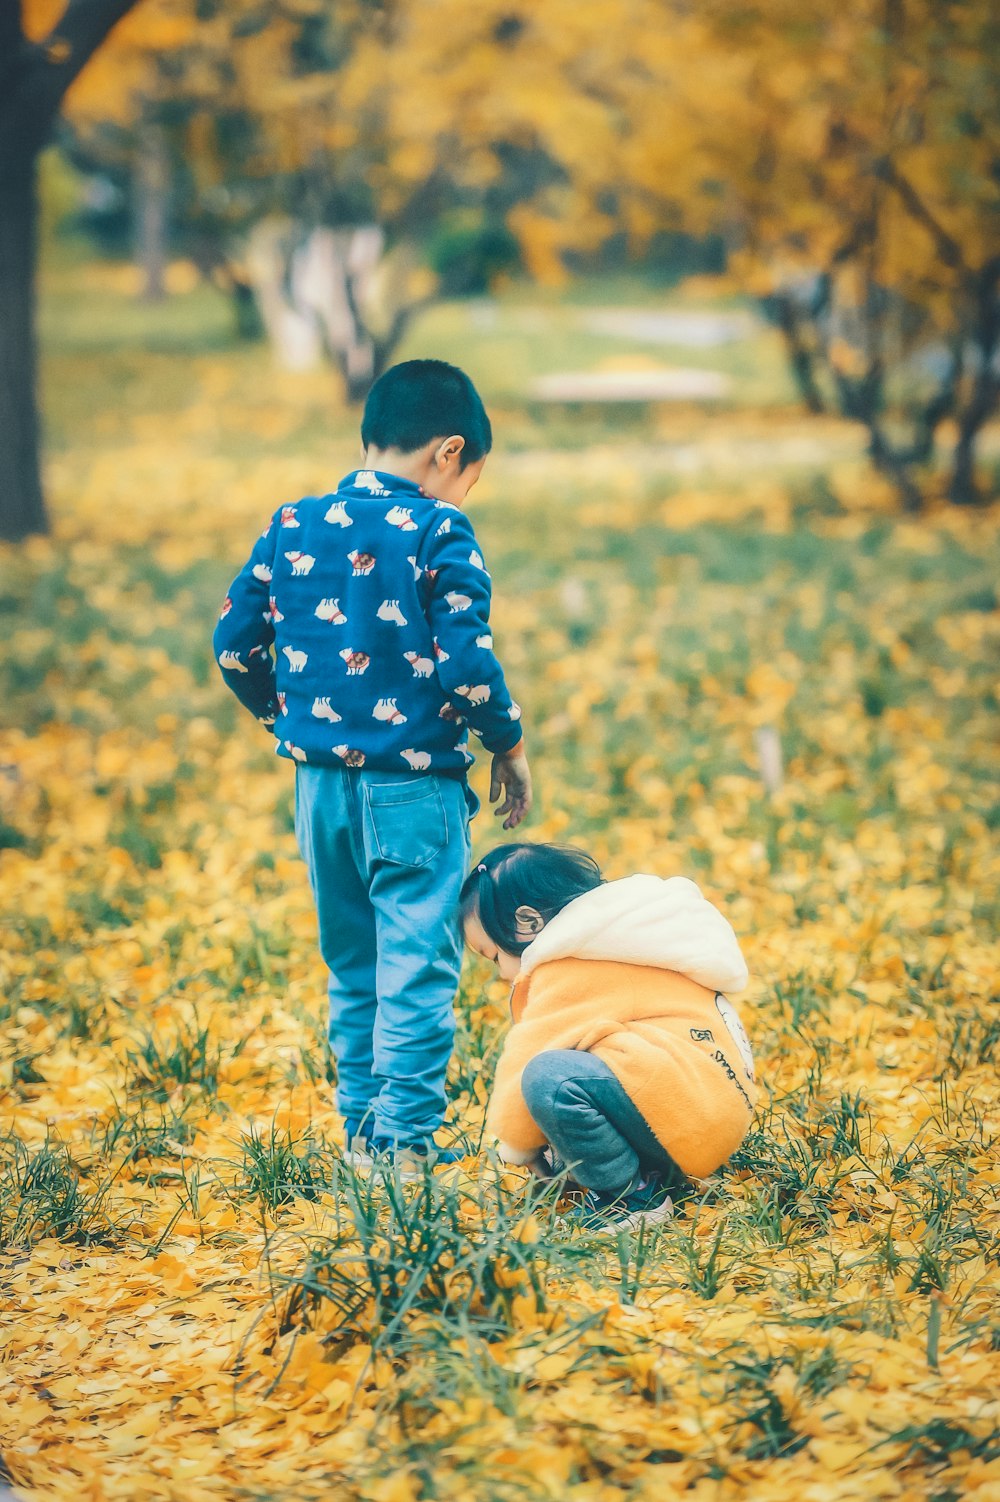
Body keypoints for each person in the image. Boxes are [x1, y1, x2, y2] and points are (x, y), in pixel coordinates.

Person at [214, 359, 532, 1172]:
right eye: (470, 479)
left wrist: (286, 718)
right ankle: (401, 1146)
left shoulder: (291, 522)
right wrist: (509, 742)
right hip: (413, 789)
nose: (463, 496)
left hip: (317, 791)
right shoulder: (438, 529)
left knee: (353, 966)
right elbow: (467, 665)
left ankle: (362, 1132)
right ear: (449, 452)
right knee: (418, 968)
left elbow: (233, 645)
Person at [460, 843, 755, 1231]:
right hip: (708, 1112)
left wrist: (519, 1147)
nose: (500, 973)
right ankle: (642, 1173)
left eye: (494, 955)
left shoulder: (570, 966)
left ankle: (632, 1199)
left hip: (690, 1119)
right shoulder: (626, 944)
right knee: (583, 1068)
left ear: (528, 922)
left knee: (549, 1077)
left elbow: (528, 1053)